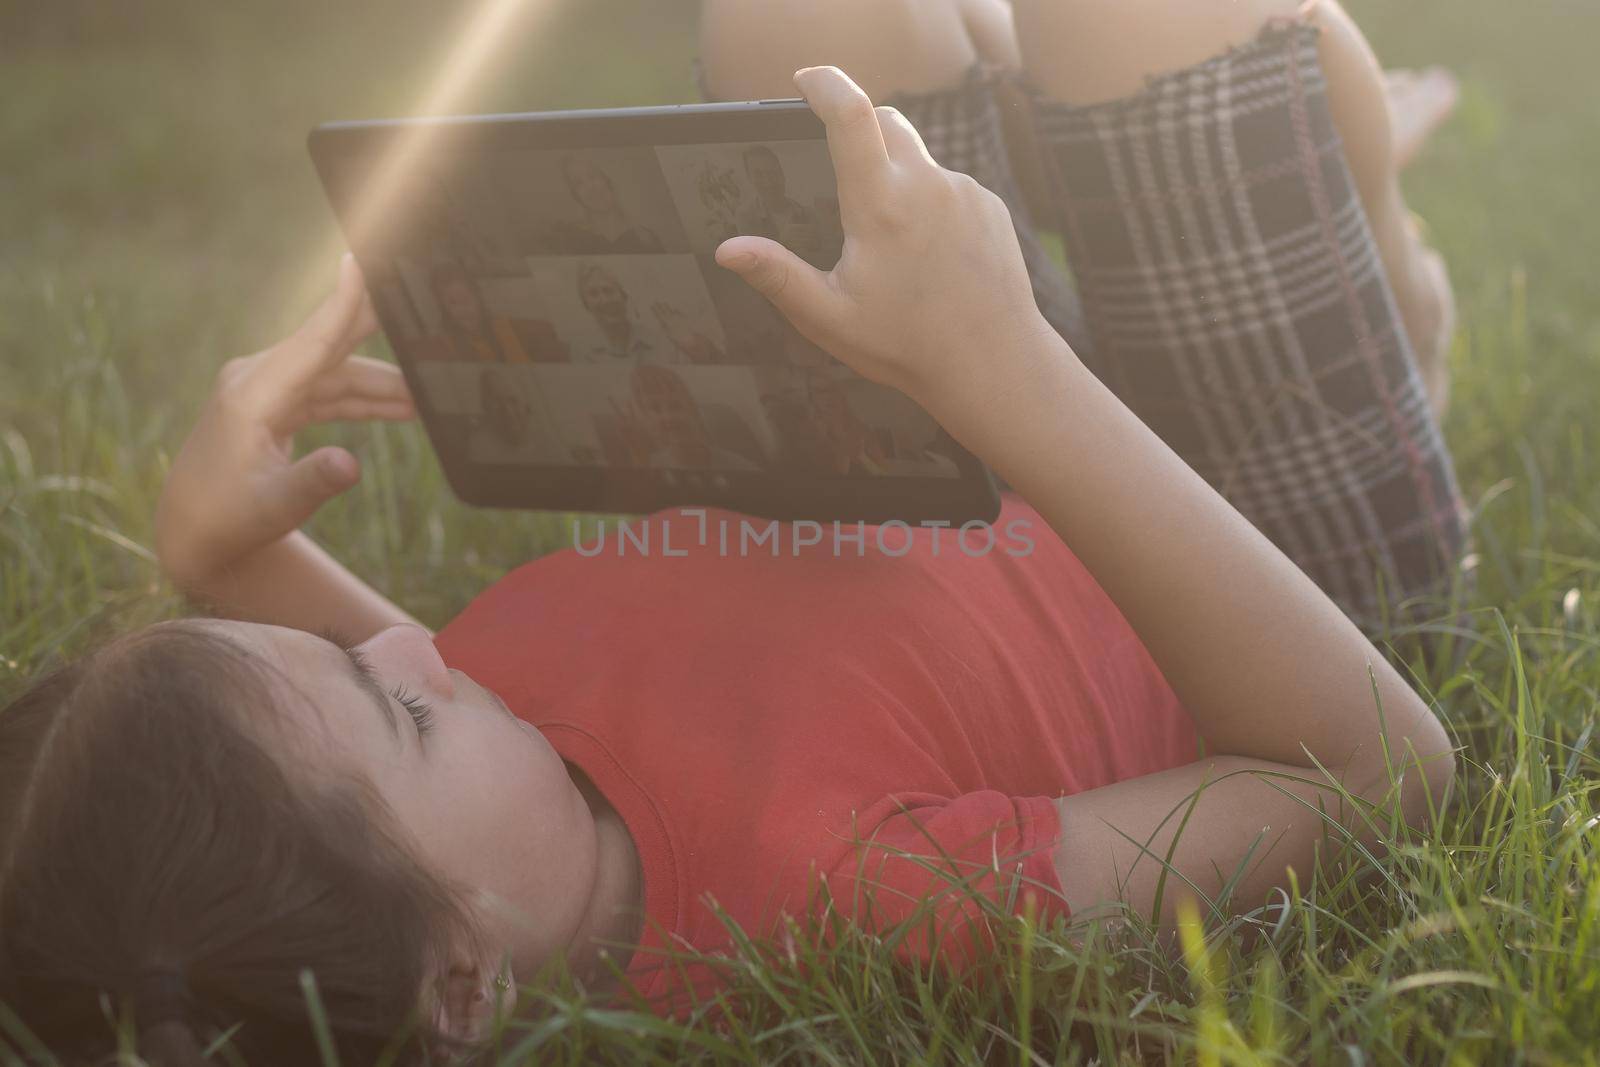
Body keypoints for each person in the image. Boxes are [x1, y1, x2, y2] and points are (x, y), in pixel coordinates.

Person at [0, 7, 1464, 1061]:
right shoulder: (849, 905)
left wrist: (218, 552)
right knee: (1150, 20)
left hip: (959, 392)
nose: (395, 635)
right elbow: (1367, 767)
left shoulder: (492, 762)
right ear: (462, 990)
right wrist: (1011, 369)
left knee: (797, 21)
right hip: (1252, 543)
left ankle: (1097, 146)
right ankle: (1390, 280)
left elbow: (330, 719)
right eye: (395, 705)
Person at [422, 262, 569, 364]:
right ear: (444, 309)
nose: (462, 309)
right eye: (452, 303)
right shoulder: (448, 346)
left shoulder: (512, 330)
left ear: (478, 297)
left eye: (465, 299)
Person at [627, 365, 760, 470]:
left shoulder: (739, 465)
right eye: (655, 409)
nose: (668, 417)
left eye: (676, 406)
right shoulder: (647, 464)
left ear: (693, 409)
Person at [538, 154, 667, 255]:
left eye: (593, 176)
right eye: (578, 183)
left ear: (608, 179)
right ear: (575, 195)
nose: (590, 187)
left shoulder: (646, 238)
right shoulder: (572, 241)